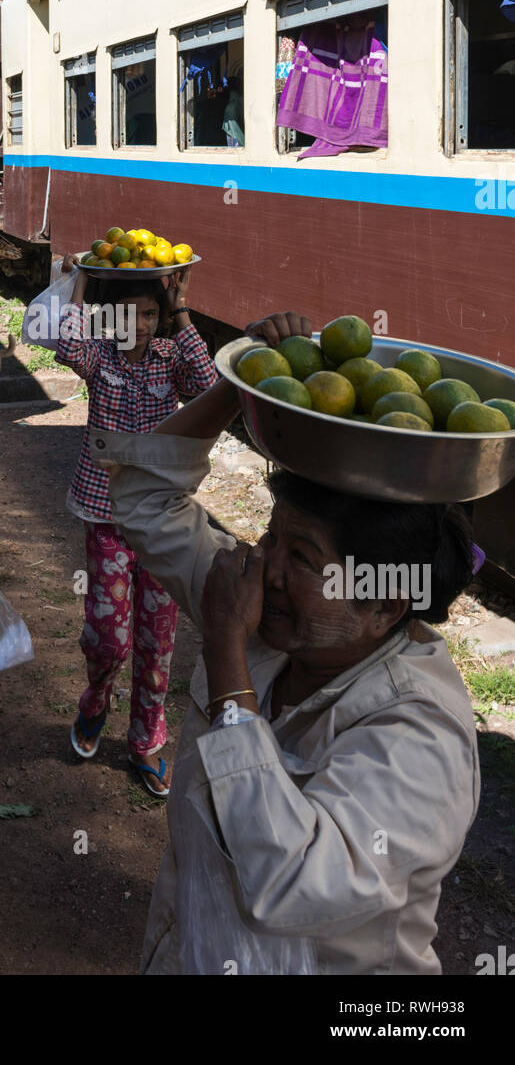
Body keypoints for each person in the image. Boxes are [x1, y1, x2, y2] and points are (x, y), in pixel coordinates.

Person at [88, 312, 481, 975]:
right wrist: (238, 386)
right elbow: (146, 499)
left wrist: (226, 656)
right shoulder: (276, 622)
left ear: (383, 603)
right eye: (270, 537)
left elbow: (292, 880)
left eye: (300, 558)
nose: (264, 568)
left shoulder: (419, 732)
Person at [55, 257, 217, 795]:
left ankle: (146, 741)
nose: (141, 326)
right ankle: (95, 699)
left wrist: (182, 307)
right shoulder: (97, 357)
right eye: (130, 316)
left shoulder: (171, 360)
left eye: (150, 314)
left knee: (157, 642)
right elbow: (65, 343)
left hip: (161, 521)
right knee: (108, 638)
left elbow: (209, 385)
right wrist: (80, 278)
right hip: (106, 516)